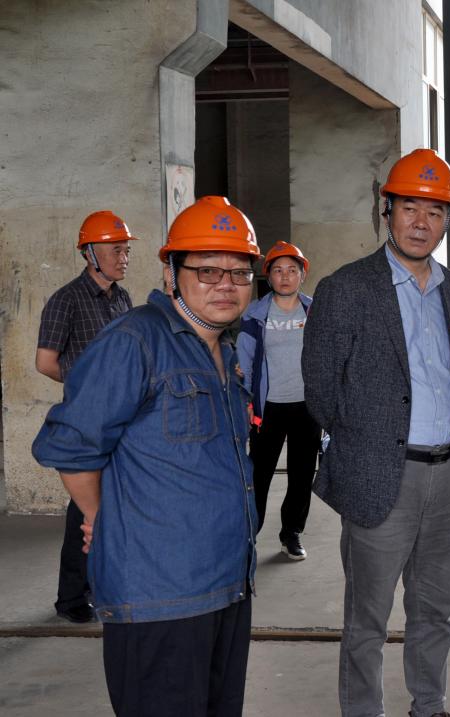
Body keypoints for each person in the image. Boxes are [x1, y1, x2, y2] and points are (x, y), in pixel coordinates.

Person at [33, 196, 262, 716]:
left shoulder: (223, 348)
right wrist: (101, 518)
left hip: (227, 586)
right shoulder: (135, 341)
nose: (225, 284)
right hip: (161, 594)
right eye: (207, 270)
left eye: (239, 272)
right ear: (170, 272)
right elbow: (70, 445)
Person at [302, 148, 450, 717]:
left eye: (435, 211)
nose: (421, 223)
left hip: (446, 471)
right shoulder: (347, 288)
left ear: (447, 220)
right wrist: (368, 444)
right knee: (368, 619)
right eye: (410, 208)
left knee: (435, 607)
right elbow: (320, 389)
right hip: (382, 474)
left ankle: (429, 705)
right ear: (387, 211)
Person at [36, 210, 135, 623]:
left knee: (114, 502)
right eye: (115, 251)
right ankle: (72, 598)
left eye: (126, 250)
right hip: (88, 421)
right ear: (90, 253)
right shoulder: (67, 300)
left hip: (123, 418)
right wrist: (87, 388)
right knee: (83, 508)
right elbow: (45, 362)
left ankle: (102, 584)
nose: (123, 258)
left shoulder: (123, 299)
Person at [237, 240, 319, 560]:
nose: (285, 276)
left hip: (306, 407)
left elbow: (327, 357)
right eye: (278, 270)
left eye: (292, 270)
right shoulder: (255, 314)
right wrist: (247, 400)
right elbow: (244, 361)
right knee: (258, 475)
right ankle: (248, 534)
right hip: (267, 408)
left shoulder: (314, 311)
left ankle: (291, 533)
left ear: (302, 275)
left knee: (301, 474)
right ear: (268, 276)